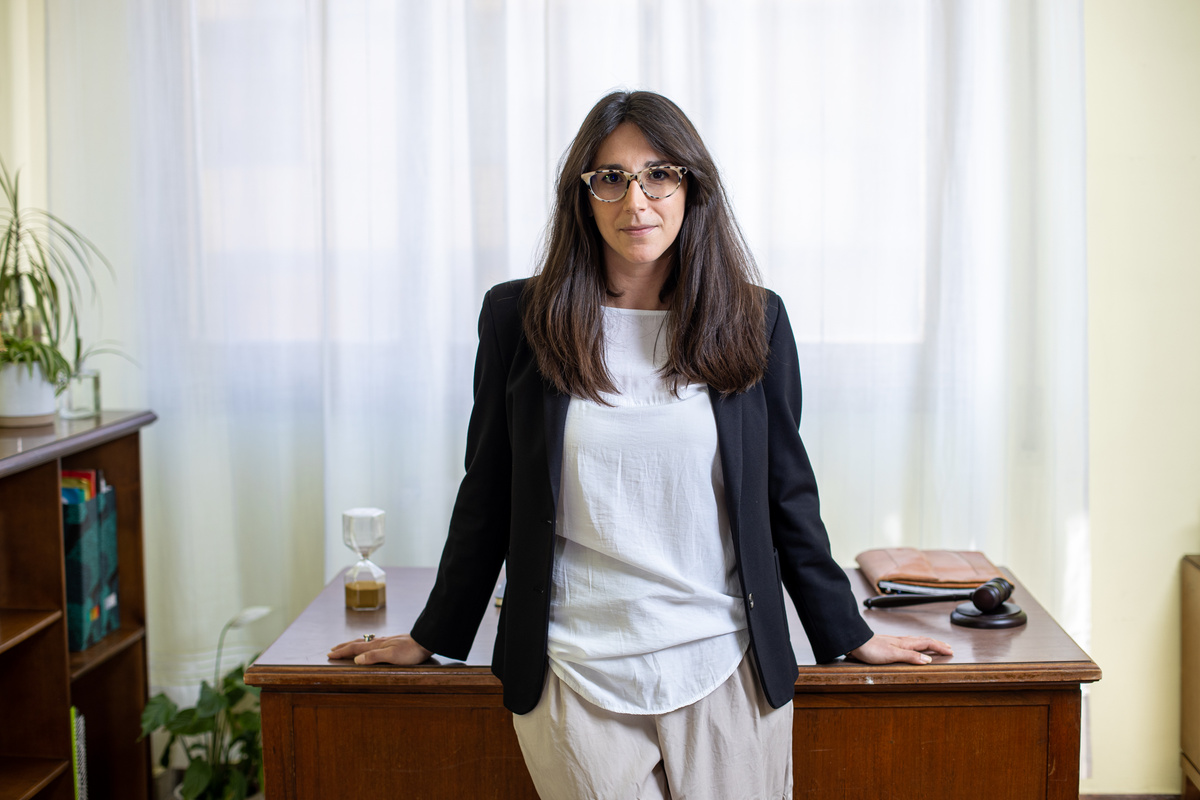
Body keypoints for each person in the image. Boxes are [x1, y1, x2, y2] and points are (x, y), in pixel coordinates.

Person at [329, 90, 951, 799]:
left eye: (660, 174)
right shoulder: (519, 319)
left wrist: (848, 631)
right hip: (572, 666)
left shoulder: (755, 319)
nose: (638, 201)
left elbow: (786, 493)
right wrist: (434, 632)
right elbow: (490, 488)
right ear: (583, 196)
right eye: (612, 178)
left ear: (691, 186)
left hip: (724, 661)